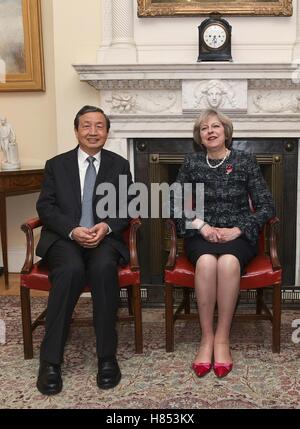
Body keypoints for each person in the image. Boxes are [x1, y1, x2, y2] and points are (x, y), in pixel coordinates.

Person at [35, 105, 133, 395]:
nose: (93, 132)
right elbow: (45, 207)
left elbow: (126, 208)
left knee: (103, 268)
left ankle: (107, 357)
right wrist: (72, 229)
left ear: (107, 131)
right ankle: (50, 361)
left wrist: (105, 226)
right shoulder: (56, 164)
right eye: (87, 126)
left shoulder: (119, 165)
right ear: (76, 130)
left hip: (104, 238)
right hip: (65, 239)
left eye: (99, 126)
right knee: (71, 270)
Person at [174, 108, 275, 379]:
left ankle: (222, 339)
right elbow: (174, 202)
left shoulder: (245, 161)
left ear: (226, 132)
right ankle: (206, 339)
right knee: (206, 262)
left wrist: (238, 229)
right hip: (201, 235)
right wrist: (202, 226)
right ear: (199, 136)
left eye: (216, 126)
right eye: (204, 127)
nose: (210, 131)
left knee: (228, 262)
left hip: (238, 236)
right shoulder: (191, 163)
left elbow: (267, 205)